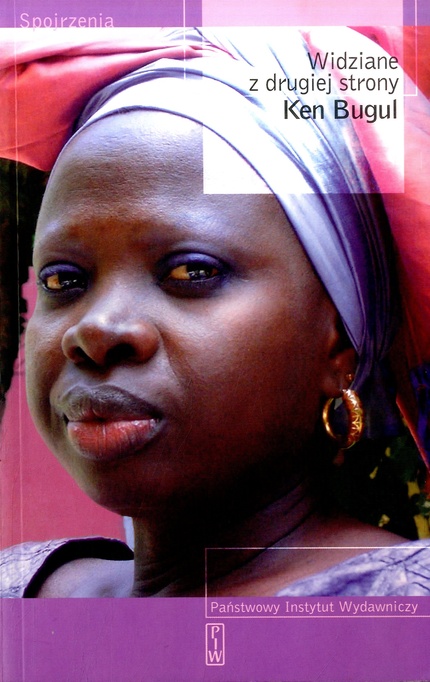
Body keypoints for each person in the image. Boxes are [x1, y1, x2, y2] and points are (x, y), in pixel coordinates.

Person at [1, 26, 430, 598]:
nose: (95, 330)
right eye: (64, 281)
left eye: (191, 272)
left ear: (338, 345)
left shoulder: (399, 610)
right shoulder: (19, 588)